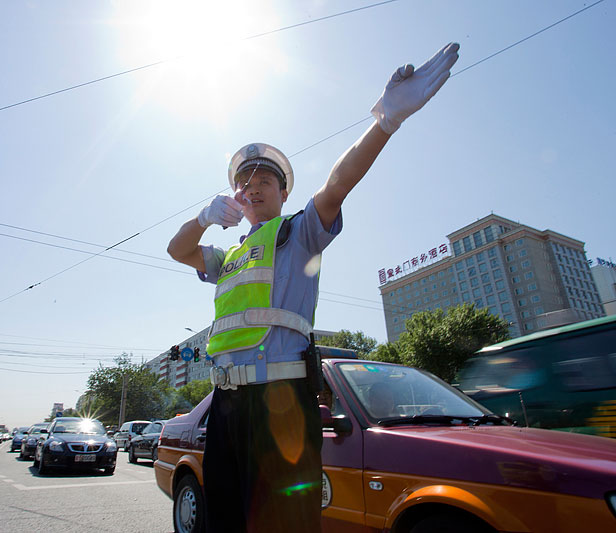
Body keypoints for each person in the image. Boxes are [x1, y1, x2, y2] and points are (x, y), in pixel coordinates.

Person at [167, 42, 459, 533]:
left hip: (280, 404)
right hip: (225, 408)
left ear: (284, 193)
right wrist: (200, 218)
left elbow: (337, 185)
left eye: (266, 179)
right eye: (245, 180)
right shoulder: (229, 257)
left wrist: (385, 122)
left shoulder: (298, 234)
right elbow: (178, 250)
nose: (254, 185)